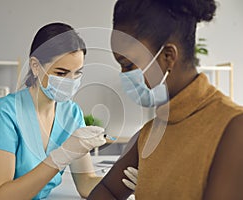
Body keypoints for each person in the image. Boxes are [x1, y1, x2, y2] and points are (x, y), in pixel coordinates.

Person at [88, 0, 243, 199]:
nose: (123, 75)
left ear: (168, 56)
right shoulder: (151, 132)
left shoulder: (233, 129)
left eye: (127, 65)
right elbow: (107, 191)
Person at [0, 22, 119, 200]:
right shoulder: (6, 113)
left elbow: (85, 183)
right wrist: (60, 157)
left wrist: (124, 183)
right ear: (36, 66)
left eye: (77, 73)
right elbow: (0, 196)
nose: (71, 81)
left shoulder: (71, 113)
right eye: (61, 73)